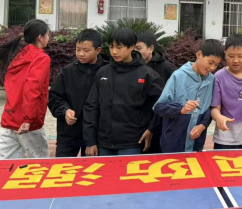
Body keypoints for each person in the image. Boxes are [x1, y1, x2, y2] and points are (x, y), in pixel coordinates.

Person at [84, 28, 164, 156]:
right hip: (104, 142)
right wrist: (90, 141)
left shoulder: (148, 75)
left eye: (119, 47)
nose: (114, 51)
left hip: (132, 142)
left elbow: (162, 105)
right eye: (111, 47)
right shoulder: (103, 72)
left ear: (131, 47)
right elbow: (91, 106)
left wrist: (151, 129)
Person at [0, 20, 51, 159]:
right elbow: (32, 89)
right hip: (28, 122)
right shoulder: (42, 58)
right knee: (40, 162)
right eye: (48, 34)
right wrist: (28, 119)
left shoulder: (20, 56)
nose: (49, 38)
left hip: (10, 117)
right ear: (40, 37)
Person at [153, 39, 224, 153]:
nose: (212, 68)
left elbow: (208, 108)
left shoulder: (211, 79)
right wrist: (181, 109)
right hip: (174, 142)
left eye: (216, 64)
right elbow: (159, 107)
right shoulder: (178, 76)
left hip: (196, 143)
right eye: (210, 62)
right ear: (199, 54)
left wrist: (202, 125)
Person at [48, 29, 106, 157]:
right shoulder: (68, 71)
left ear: (98, 50)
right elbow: (54, 97)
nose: (80, 54)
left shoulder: (106, 72)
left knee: (92, 168)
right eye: (78, 49)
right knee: (63, 167)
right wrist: (65, 110)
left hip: (96, 135)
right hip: (68, 133)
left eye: (86, 50)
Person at [135, 31, 178, 153]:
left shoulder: (168, 69)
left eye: (138, 48)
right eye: (132, 48)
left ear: (151, 48)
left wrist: (153, 127)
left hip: (159, 127)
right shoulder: (131, 67)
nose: (135, 52)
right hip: (136, 127)